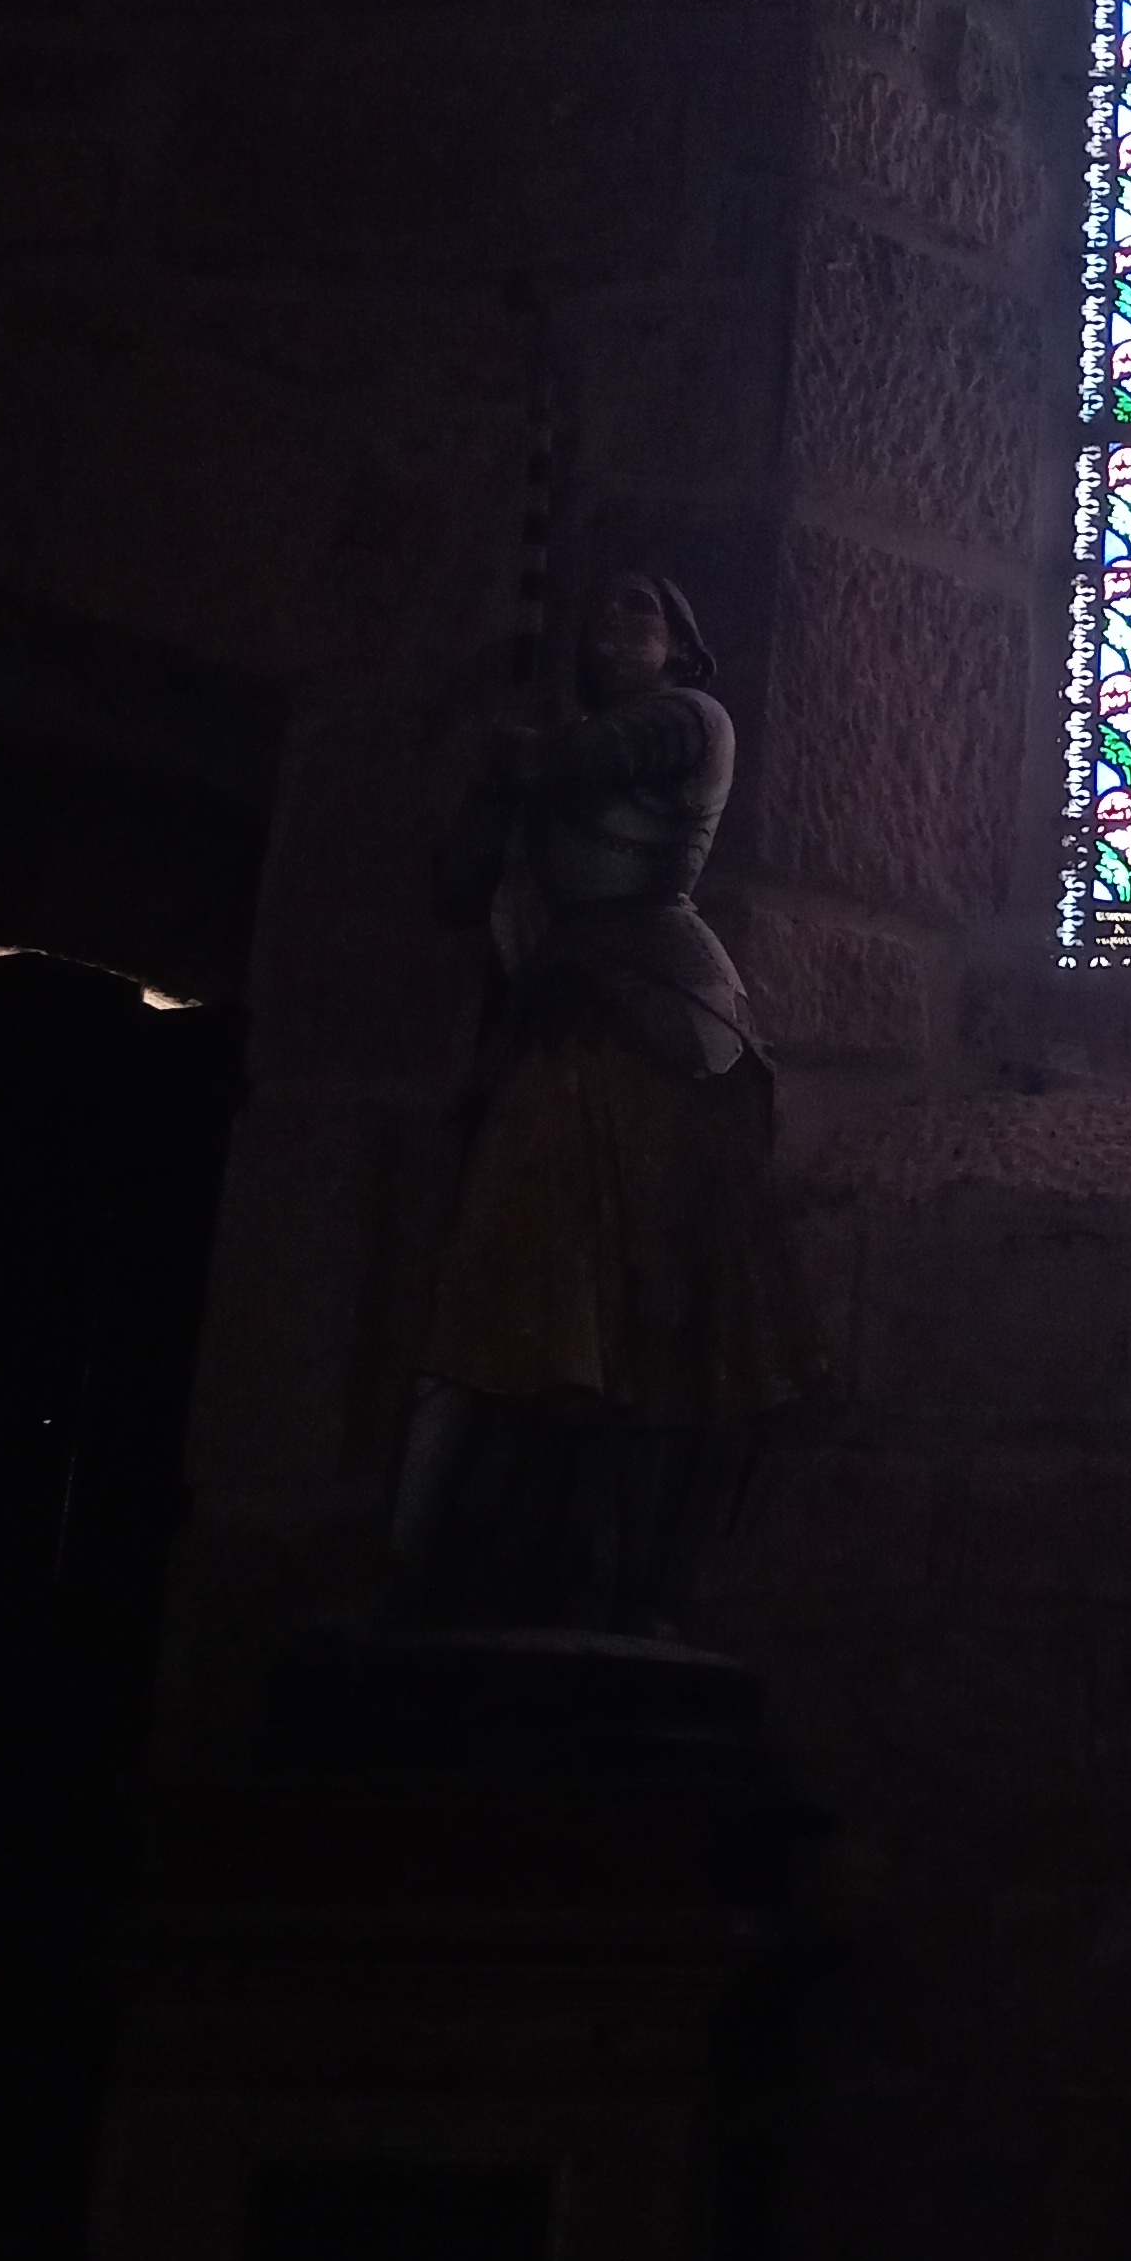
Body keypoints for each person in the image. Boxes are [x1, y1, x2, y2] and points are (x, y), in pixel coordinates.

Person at [389, 567, 797, 1628]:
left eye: (641, 609)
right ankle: (430, 1568)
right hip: (561, 1014)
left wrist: (513, 754)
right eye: (598, 609)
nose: (613, 623)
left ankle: (631, 1578)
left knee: (659, 1307)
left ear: (684, 647)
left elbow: (585, 762)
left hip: (666, 1018)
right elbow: (457, 884)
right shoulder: (548, 755)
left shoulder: (690, 719)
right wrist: (491, 784)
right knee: (511, 1287)